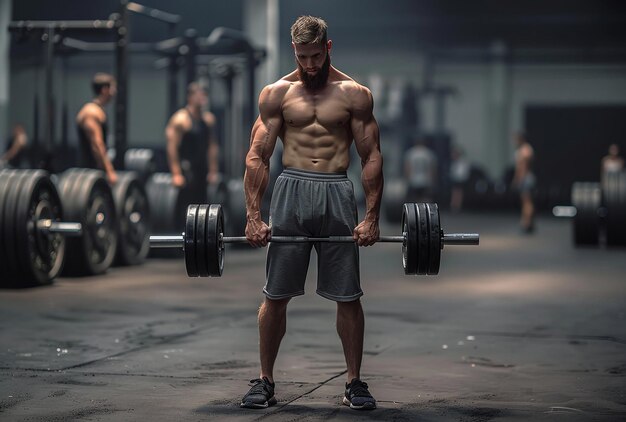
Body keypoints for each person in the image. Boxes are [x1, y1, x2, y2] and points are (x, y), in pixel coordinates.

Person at [241, 15, 383, 411]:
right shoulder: (277, 94)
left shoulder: (355, 94)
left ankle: (353, 382)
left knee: (348, 295)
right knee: (276, 294)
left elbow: (371, 156)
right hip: (291, 190)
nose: (310, 65)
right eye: (303, 57)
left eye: (316, 56)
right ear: (294, 52)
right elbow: (258, 155)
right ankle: (265, 380)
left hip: (337, 191)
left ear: (329, 48)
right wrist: (253, 215)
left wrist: (371, 216)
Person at [165, 82, 219, 205]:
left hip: (202, 169)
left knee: (202, 204)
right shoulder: (180, 120)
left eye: (204, 95)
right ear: (190, 97)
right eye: (199, 95)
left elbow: (212, 146)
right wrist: (176, 173)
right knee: (186, 204)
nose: (203, 98)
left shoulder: (209, 120)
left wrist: (213, 170)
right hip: (186, 169)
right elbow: (172, 147)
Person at [76, 73, 118, 184]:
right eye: (113, 88)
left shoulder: (98, 111)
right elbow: (97, 144)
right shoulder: (91, 112)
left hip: (95, 173)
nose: (114, 92)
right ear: (105, 90)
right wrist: (110, 171)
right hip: (88, 174)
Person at [512, 132, 535, 233]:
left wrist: (518, 179)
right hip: (527, 177)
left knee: (526, 201)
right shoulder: (527, 149)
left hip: (525, 178)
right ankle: (527, 222)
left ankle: (527, 223)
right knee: (526, 201)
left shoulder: (524, 150)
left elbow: (522, 167)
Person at [404, 137, 437, 203]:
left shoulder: (411, 153)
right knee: (425, 199)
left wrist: (407, 179)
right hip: (426, 180)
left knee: (414, 199)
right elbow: (432, 169)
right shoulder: (429, 153)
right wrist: (433, 180)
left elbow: (408, 168)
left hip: (414, 180)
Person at [449, 145, 470, 213]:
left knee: (458, 193)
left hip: (459, 179)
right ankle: (454, 206)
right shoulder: (455, 162)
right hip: (456, 179)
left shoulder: (461, 162)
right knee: (455, 192)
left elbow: (462, 172)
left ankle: (456, 206)